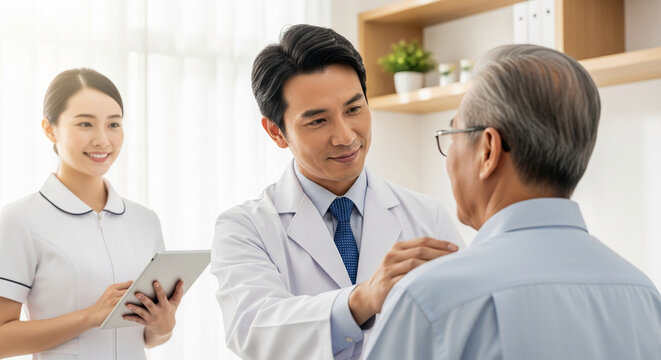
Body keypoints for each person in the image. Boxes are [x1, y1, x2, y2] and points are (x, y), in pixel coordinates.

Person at [363, 44, 661, 359]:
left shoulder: (430, 299)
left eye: (453, 135)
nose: (449, 156)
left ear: (488, 151)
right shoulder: (643, 295)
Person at [211, 24, 463, 360]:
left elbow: (465, 320)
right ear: (276, 132)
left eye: (354, 109)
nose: (345, 137)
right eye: (318, 121)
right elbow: (254, 329)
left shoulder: (425, 214)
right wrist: (361, 300)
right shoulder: (244, 228)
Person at [0, 68, 184, 360]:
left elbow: (149, 338)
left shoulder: (145, 221)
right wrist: (88, 317)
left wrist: (164, 325)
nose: (102, 140)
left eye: (113, 124)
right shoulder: (20, 220)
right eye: (85, 124)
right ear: (50, 129)